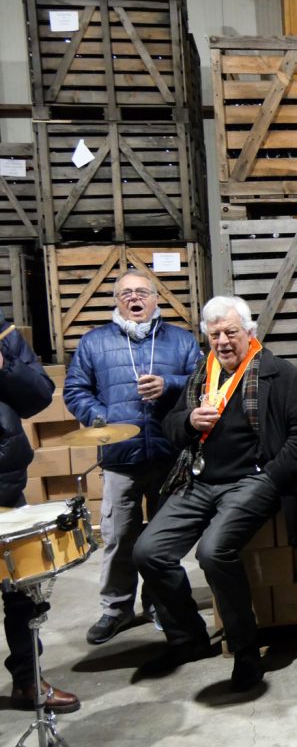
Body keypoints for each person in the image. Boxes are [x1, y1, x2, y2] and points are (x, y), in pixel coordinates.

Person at [133, 296, 297, 692]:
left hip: (251, 480)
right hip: (198, 480)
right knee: (148, 551)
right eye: (214, 335)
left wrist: (271, 477)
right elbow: (171, 426)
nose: (223, 341)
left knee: (213, 552)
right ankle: (188, 638)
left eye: (231, 332)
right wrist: (188, 422)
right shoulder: (202, 374)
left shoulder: (281, 375)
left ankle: (246, 651)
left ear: (250, 333)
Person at [64, 271, 202, 645]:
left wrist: (169, 385)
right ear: (116, 301)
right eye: (126, 293)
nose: (134, 298)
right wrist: (103, 418)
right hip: (119, 457)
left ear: (156, 299)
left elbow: (202, 381)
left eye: (142, 292)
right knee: (119, 535)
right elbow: (75, 389)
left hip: (168, 454)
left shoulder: (181, 340)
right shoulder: (94, 342)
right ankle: (116, 608)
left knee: (161, 539)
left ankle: (159, 603)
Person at [0, 312, 79, 712]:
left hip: (5, 486)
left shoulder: (1, 330)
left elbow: (39, 394)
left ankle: (28, 681)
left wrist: (4, 365)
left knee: (21, 593)